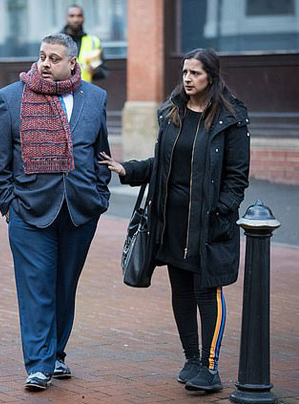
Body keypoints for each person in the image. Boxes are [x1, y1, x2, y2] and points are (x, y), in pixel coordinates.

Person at [99, 48, 250, 393]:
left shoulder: (231, 118)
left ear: (211, 76)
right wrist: (129, 170)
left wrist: (220, 212)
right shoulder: (172, 112)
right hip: (171, 221)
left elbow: (237, 177)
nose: (187, 79)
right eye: (184, 72)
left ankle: (210, 368)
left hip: (207, 224)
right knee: (181, 291)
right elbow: (163, 164)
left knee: (206, 292)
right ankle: (191, 360)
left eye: (195, 73)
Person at [0, 33, 111, 391]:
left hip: (80, 211)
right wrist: (7, 204)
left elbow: (101, 153)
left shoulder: (95, 98)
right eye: (42, 56)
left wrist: (99, 195)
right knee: (36, 288)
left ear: (72, 63)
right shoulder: (11, 98)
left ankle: (56, 353)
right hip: (29, 211)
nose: (44, 63)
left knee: (64, 287)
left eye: (54, 58)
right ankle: (39, 364)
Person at [62, 4, 105, 83]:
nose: (76, 19)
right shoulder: (56, 41)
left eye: (79, 16)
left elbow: (103, 70)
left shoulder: (93, 41)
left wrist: (95, 71)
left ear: (84, 18)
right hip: (62, 88)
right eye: (72, 16)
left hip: (85, 87)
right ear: (66, 18)